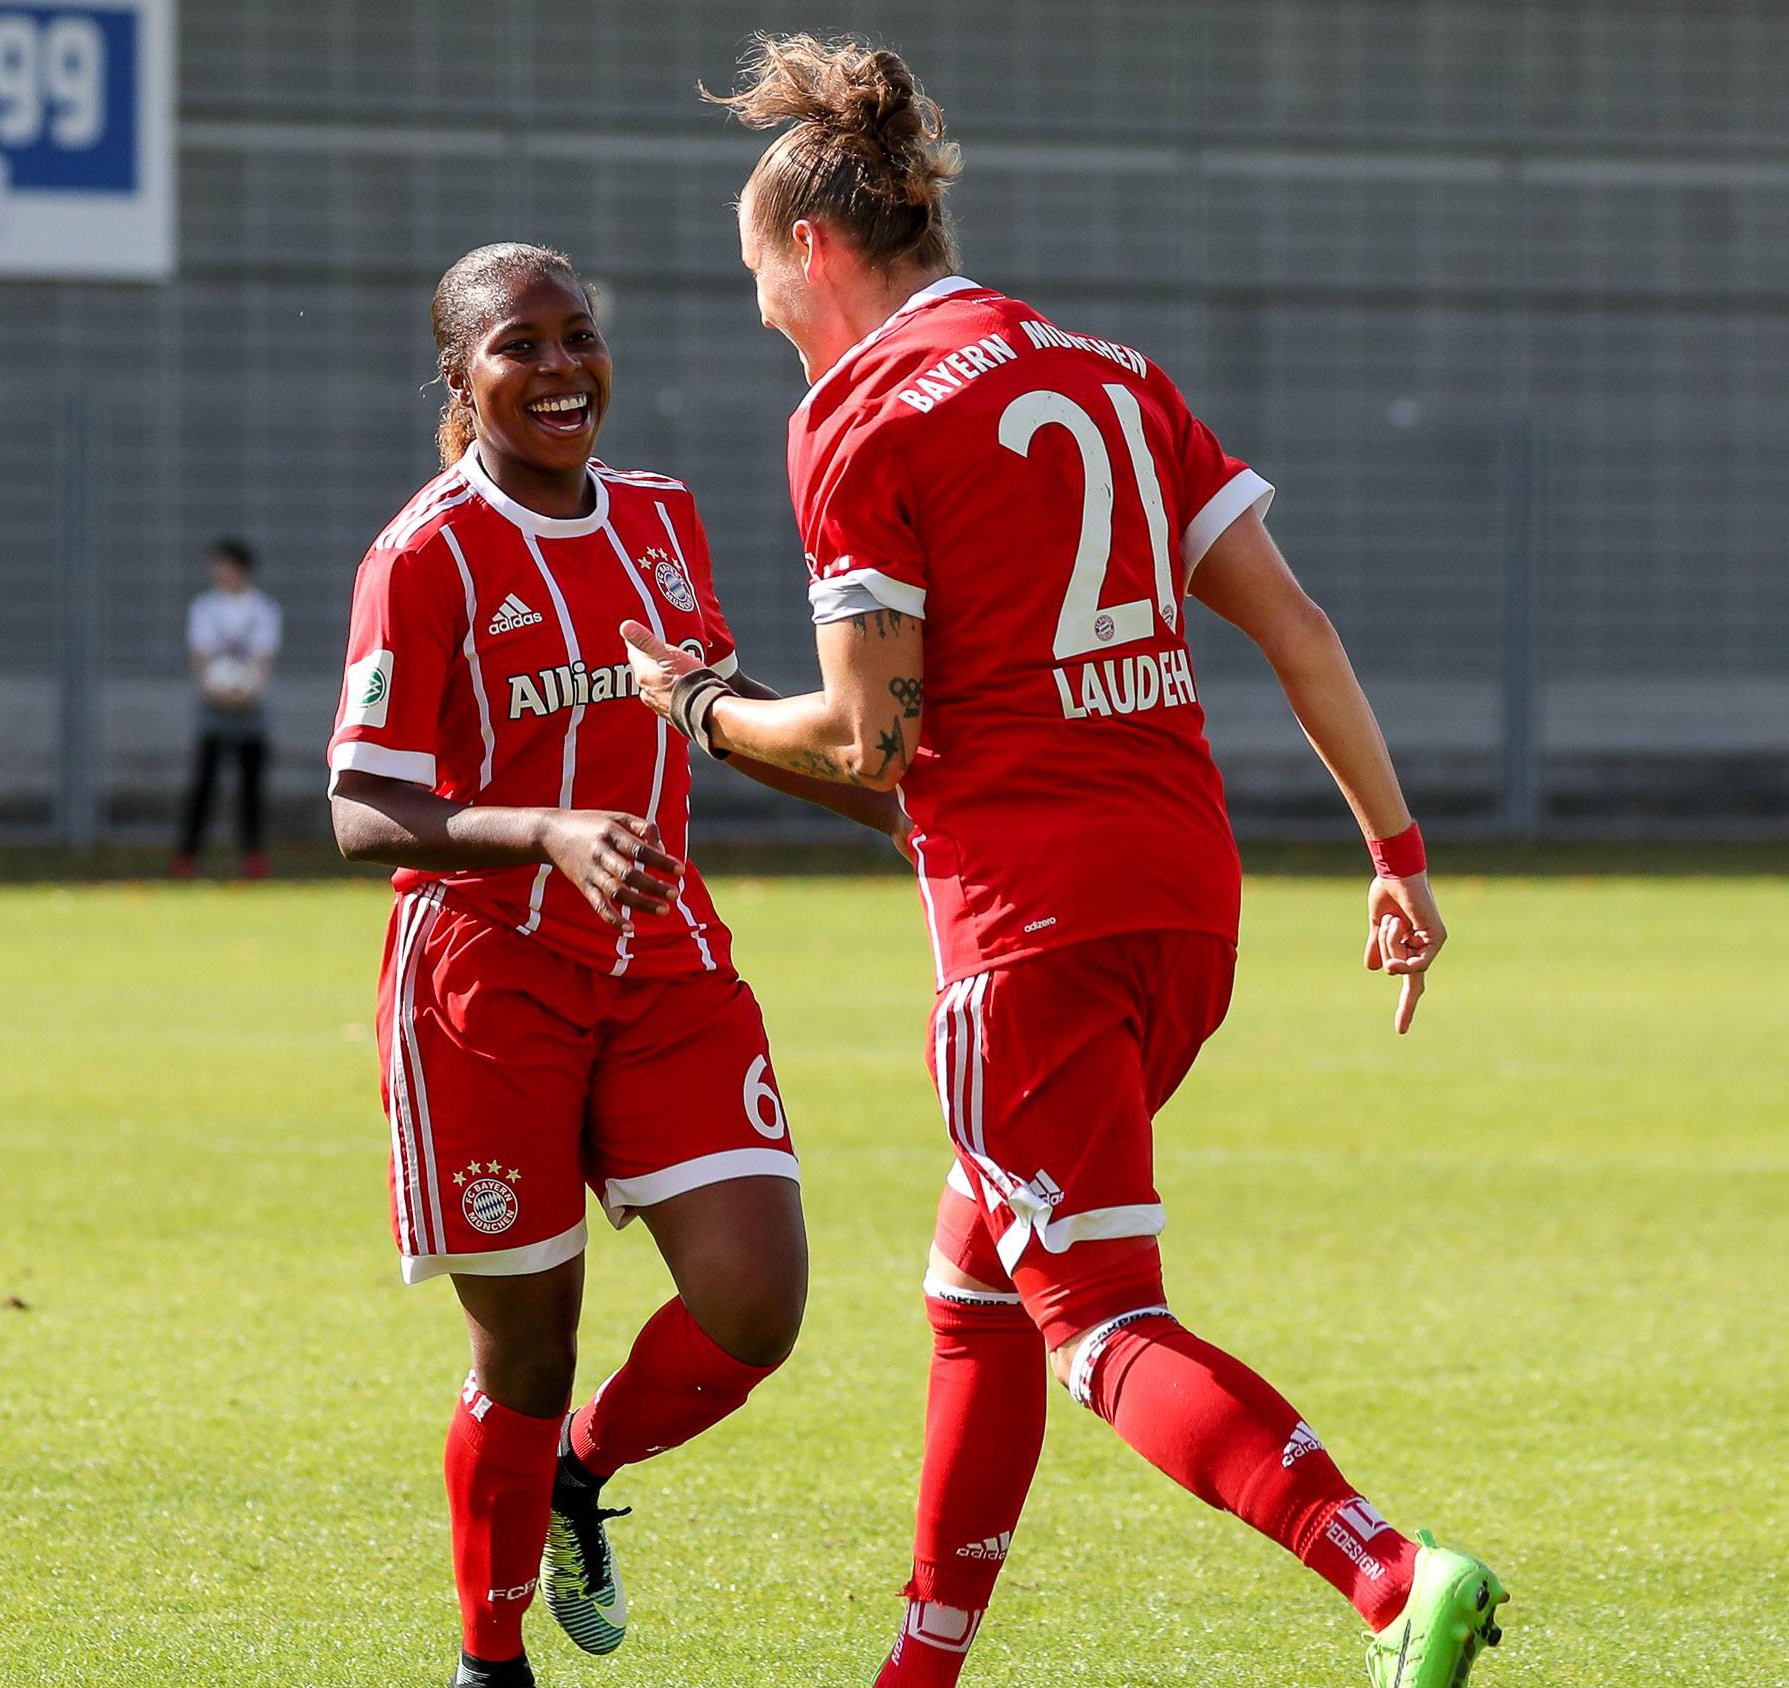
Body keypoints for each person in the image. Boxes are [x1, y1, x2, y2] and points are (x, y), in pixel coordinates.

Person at [622, 36, 1507, 1688]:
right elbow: (1294, 623)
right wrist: (1395, 853)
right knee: (975, 1273)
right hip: (1186, 899)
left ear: (813, 251)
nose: (766, 320)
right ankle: (920, 1666)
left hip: (1026, 931)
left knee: (1099, 1326)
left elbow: (871, 742)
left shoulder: (862, 413)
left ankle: (1392, 1574)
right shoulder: (1113, 368)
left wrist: (706, 708)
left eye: (762, 282)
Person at [329, 241, 911, 1688]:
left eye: (576, 337)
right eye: (517, 346)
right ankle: (491, 1659)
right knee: (527, 1351)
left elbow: (719, 708)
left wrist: (896, 800)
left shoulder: (659, 518)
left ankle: (583, 1473)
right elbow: (360, 806)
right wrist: (541, 831)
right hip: (486, 982)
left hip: (663, 960)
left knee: (755, 1303)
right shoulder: (423, 554)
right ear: (461, 379)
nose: (559, 368)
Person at [173, 537, 282, 878]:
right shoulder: (205, 608)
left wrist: (247, 691)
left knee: (251, 786)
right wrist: (215, 691)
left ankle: (253, 857)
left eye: (224, 565)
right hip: (213, 708)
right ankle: (187, 857)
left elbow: (264, 661)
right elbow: (200, 659)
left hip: (250, 709)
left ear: (240, 569)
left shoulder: (263, 610)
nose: (218, 572)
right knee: (204, 783)